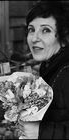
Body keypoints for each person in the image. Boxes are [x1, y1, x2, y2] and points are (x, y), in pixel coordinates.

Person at [17, 1, 69, 139]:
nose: (34, 38)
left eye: (45, 30)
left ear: (64, 38)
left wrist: (40, 132)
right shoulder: (49, 66)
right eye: (31, 30)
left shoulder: (66, 74)